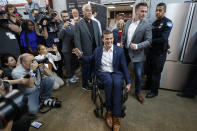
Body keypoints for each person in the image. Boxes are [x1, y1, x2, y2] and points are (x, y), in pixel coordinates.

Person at [73, 30, 131, 131]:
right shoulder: (98, 50)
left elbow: (124, 67)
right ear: (103, 39)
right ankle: (108, 111)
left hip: (115, 72)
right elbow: (90, 59)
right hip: (103, 72)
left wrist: (129, 82)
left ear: (113, 39)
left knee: (117, 83)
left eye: (111, 38)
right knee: (108, 82)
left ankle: (116, 116)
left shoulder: (120, 51)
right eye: (106, 38)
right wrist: (81, 56)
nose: (109, 40)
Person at [121, 2, 152, 104]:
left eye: (145, 11)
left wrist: (138, 46)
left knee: (138, 75)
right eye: (142, 11)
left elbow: (148, 41)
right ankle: (123, 88)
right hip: (126, 51)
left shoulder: (146, 24)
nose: (144, 13)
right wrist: (122, 42)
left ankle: (138, 92)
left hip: (138, 54)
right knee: (122, 71)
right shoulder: (128, 22)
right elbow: (124, 34)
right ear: (136, 11)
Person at [145, 3, 173, 98]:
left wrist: (150, 41)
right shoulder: (154, 23)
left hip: (160, 53)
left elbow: (164, 38)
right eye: (156, 10)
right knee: (148, 70)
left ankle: (154, 91)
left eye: (160, 10)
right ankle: (148, 85)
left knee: (156, 73)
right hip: (151, 51)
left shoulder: (168, 22)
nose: (157, 12)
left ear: (164, 11)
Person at [74, 4, 102, 91]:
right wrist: (80, 54)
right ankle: (84, 85)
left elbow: (99, 37)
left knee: (94, 68)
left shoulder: (96, 23)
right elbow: (77, 40)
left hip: (95, 51)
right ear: (82, 12)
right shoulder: (78, 24)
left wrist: (101, 50)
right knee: (85, 69)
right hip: (85, 52)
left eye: (90, 10)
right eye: (87, 10)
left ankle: (92, 81)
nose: (89, 11)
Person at [59, 10, 78, 83]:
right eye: (63, 16)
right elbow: (60, 37)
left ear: (69, 16)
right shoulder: (60, 26)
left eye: (66, 16)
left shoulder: (72, 25)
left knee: (74, 63)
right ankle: (69, 77)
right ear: (61, 17)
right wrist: (63, 28)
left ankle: (72, 75)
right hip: (66, 49)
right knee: (68, 65)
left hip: (73, 48)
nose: (65, 18)